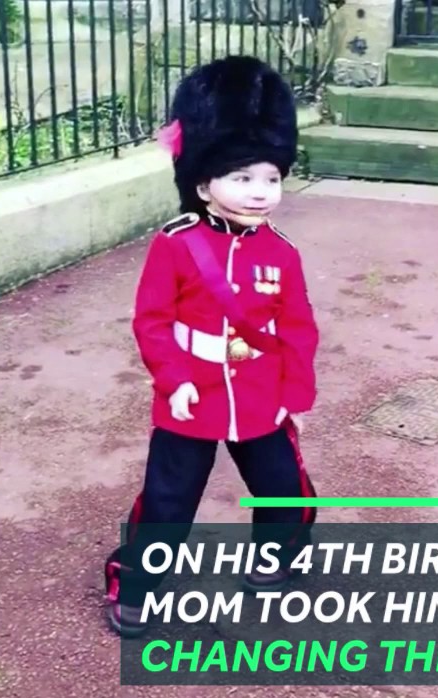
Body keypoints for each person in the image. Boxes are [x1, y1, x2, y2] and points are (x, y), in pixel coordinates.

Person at [103, 56, 321, 637]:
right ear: (203, 184)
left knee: (283, 490)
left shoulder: (283, 252)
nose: (260, 192)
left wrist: (294, 394)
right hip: (191, 394)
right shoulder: (175, 244)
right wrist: (173, 380)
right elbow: (153, 321)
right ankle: (136, 583)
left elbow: (297, 328)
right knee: (168, 501)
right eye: (242, 178)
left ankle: (279, 557)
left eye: (271, 178)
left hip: (260, 393)